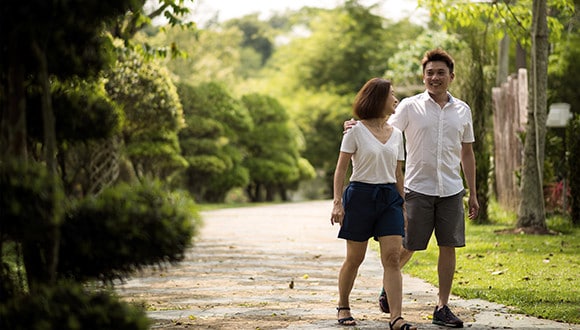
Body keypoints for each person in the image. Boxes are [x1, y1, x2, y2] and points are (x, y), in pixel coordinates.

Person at [345, 48, 479, 328]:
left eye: (441, 72)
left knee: (449, 245)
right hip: (417, 187)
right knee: (410, 245)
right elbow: (380, 128)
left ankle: (442, 306)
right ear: (424, 77)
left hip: (452, 188)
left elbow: (467, 153)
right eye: (429, 73)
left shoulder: (463, 110)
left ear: (451, 76)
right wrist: (355, 125)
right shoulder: (409, 106)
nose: (434, 77)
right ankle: (389, 283)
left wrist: (473, 192)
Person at [331, 77, 416, 330]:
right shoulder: (354, 131)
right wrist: (337, 203)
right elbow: (340, 170)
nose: (396, 100)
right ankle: (343, 305)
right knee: (355, 258)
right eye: (392, 95)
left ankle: (396, 317)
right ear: (379, 99)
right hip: (360, 196)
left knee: (392, 257)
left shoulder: (397, 134)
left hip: (389, 197)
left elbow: (398, 172)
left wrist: (403, 205)